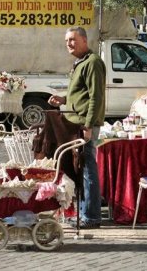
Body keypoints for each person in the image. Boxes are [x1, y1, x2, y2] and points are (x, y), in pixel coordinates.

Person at [48, 26, 106, 229]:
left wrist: (89, 125)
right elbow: (80, 94)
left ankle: (91, 216)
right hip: (74, 122)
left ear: (84, 40)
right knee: (80, 168)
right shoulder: (79, 62)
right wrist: (63, 99)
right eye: (66, 41)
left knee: (88, 168)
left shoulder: (93, 62)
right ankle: (84, 212)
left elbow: (95, 97)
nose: (69, 44)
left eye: (72, 40)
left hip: (84, 124)